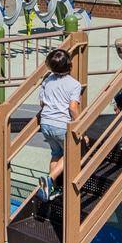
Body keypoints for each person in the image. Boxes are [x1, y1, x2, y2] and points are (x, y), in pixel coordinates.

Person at [36, 47, 84, 195]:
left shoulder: (47, 80)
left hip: (45, 122)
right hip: (61, 124)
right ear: (70, 65)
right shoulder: (74, 84)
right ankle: (50, 179)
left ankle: (52, 188)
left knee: (56, 153)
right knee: (71, 153)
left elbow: (42, 103)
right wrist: (80, 124)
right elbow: (72, 107)